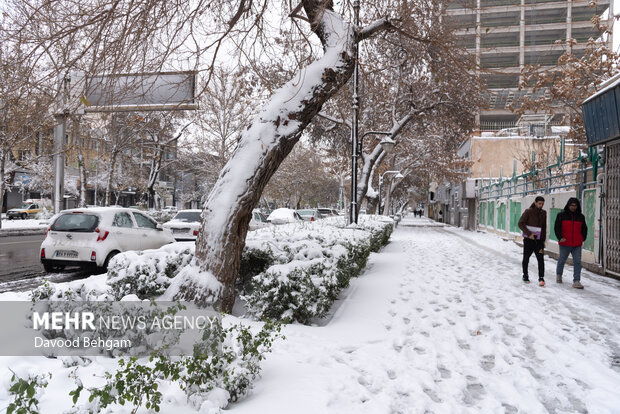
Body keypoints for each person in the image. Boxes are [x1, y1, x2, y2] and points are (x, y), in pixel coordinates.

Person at [554, 197, 587, 289]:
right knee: (562, 260)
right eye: (572, 205)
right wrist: (560, 237)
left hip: (577, 243)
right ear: (568, 205)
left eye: (575, 206)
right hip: (565, 243)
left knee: (577, 262)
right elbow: (557, 228)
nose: (573, 207)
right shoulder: (561, 215)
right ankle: (559, 275)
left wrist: (582, 238)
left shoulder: (581, 217)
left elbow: (584, 229)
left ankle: (576, 281)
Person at [518, 196, 547, 286]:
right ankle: (525, 275)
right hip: (528, 240)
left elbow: (544, 227)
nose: (541, 205)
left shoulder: (544, 213)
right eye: (539, 203)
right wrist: (529, 234)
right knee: (526, 258)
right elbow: (520, 223)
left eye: (542, 204)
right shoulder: (528, 212)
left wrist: (543, 240)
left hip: (539, 241)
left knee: (541, 259)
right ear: (535, 202)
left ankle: (541, 278)